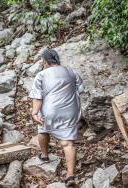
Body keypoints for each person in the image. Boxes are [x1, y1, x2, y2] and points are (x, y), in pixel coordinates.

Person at [29, 49, 84, 185]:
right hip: (70, 111)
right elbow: (80, 89)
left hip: (50, 111)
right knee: (68, 142)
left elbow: (37, 97)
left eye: (43, 61)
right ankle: (70, 176)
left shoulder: (41, 75)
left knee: (42, 129)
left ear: (46, 61)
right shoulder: (71, 71)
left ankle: (45, 155)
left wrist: (34, 112)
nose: (42, 64)